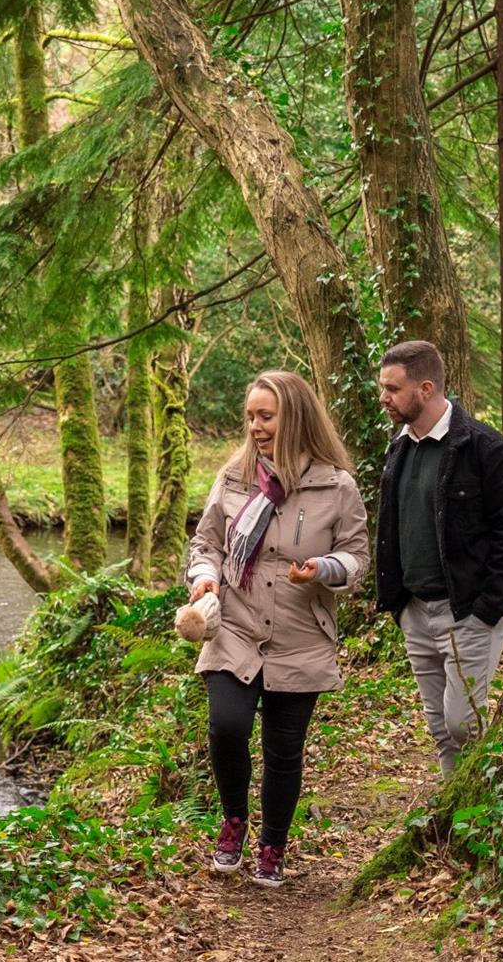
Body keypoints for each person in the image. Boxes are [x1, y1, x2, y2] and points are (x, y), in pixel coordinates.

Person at [182, 370, 370, 886]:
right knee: (227, 728)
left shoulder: (336, 485)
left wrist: (324, 568)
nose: (256, 427)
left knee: (284, 752)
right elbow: (207, 545)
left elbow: (357, 558)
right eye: (251, 417)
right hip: (235, 627)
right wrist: (204, 579)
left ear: (295, 417)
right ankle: (233, 820)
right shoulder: (233, 477)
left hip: (300, 636)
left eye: (267, 416)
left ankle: (273, 845)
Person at [373, 340, 503, 777]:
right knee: (440, 727)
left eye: (392, 389)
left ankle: (488, 813)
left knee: (463, 723)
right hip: (415, 610)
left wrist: (487, 609)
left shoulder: (484, 449)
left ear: (425, 388)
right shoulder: (399, 446)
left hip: (467, 612)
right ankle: (453, 817)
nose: (384, 398)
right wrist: (400, 605)